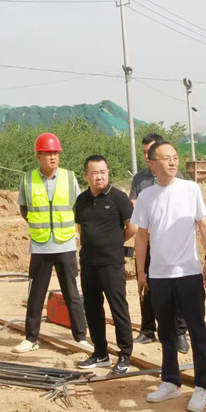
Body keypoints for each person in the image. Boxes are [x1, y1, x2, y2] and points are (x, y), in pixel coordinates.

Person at [131, 140, 206, 412]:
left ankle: (202, 386)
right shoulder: (146, 196)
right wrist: (141, 272)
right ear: (152, 163)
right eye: (166, 158)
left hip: (188, 273)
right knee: (165, 331)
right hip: (159, 276)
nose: (172, 162)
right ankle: (170, 381)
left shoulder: (191, 189)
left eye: (175, 157)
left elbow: (203, 224)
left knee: (197, 330)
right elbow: (142, 236)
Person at [12, 133, 89, 354]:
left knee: (72, 293)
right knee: (36, 294)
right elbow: (24, 209)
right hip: (40, 244)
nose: (53, 157)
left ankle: (80, 337)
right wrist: (40, 226)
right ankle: (31, 338)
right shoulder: (27, 179)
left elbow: (78, 208)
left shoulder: (69, 177)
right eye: (48, 154)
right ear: (38, 156)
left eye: (56, 153)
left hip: (65, 244)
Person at [75, 155, 137, 375]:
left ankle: (125, 355)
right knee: (92, 309)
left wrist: (114, 242)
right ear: (86, 176)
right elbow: (80, 228)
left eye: (103, 172)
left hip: (111, 264)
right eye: (94, 173)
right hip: (88, 263)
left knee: (118, 308)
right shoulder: (81, 200)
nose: (99, 176)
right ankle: (100, 352)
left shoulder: (118, 198)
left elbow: (132, 227)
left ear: (108, 173)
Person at [129, 133, 189, 354]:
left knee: (177, 288)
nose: (147, 156)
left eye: (150, 152)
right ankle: (147, 329)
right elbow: (134, 205)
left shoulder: (178, 177)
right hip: (147, 241)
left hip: (171, 244)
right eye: (144, 153)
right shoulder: (140, 179)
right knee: (145, 284)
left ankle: (180, 332)